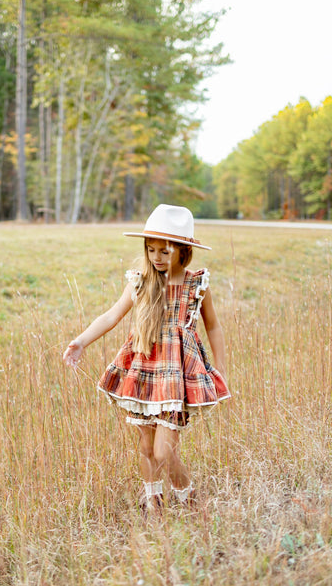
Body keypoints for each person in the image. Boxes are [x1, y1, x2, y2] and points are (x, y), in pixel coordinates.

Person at [63, 204, 230, 513]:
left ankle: (188, 496)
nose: (156, 257)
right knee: (145, 445)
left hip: (176, 377)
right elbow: (112, 315)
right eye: (151, 249)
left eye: (164, 251)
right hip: (143, 372)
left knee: (165, 451)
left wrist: (219, 369)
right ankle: (152, 499)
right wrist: (82, 341)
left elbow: (214, 326)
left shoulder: (196, 285)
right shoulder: (140, 281)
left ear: (183, 251)